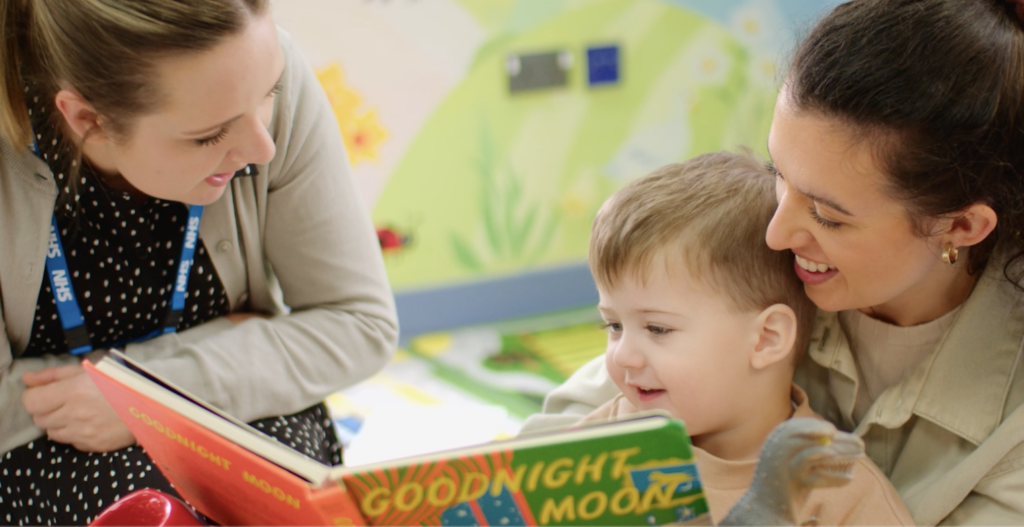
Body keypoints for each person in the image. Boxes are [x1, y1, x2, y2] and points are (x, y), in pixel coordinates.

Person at [522, 0, 1024, 524]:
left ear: (961, 226)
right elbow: (559, 438)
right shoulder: (751, 258)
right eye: (778, 174)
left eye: (828, 215)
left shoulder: (1010, 429)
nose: (776, 233)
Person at [0, 0, 398, 525]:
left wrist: (144, 391)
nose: (263, 148)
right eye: (209, 135)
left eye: (271, 94)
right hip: (41, 443)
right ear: (86, 119)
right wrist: (223, 343)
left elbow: (359, 323)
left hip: (235, 407)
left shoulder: (252, 74)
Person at [565, 151, 913, 524]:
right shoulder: (603, 440)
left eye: (657, 329)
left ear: (766, 338)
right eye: (614, 326)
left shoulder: (835, 489)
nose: (623, 356)